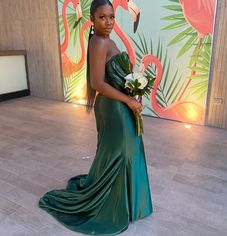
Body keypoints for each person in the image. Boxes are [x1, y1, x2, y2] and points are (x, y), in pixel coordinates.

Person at [38, 0, 153, 235]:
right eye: (103, 17)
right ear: (92, 18)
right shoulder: (99, 42)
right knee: (121, 152)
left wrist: (135, 92)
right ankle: (116, 204)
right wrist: (128, 100)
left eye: (111, 16)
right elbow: (97, 83)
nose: (109, 21)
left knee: (127, 149)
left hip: (119, 103)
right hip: (113, 107)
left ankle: (129, 204)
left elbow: (116, 76)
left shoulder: (108, 40)